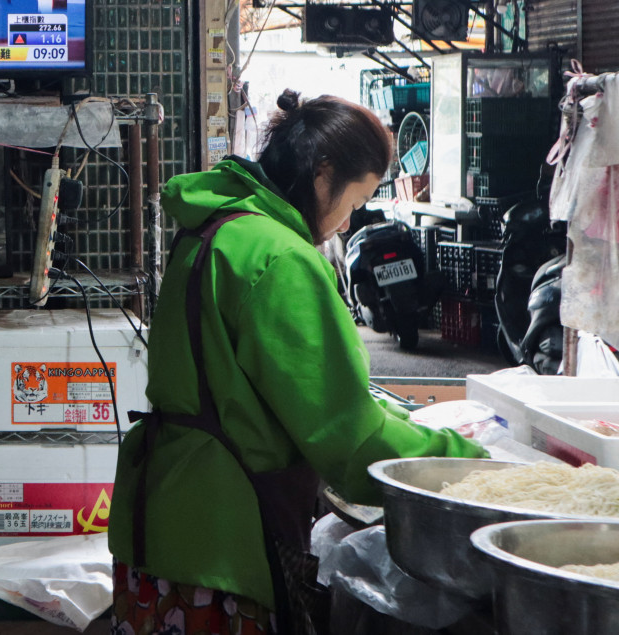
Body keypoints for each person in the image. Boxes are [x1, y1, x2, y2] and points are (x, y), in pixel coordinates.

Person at [109, 90, 488, 635]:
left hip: (163, 522)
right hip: (220, 544)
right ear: (321, 173)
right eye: (354, 202)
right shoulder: (280, 258)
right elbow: (347, 437)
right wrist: (466, 467)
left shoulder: (212, 228)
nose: (344, 220)